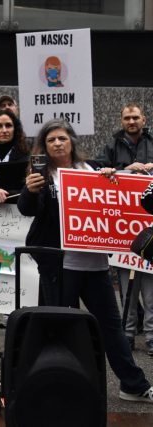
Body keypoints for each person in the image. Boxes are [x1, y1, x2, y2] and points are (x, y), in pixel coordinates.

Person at [18, 118, 153, 404]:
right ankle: (59, 384)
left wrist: (111, 178)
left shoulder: (91, 169)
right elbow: (28, 210)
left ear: (71, 143)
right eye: (51, 139)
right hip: (60, 266)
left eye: (62, 138)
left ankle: (133, 384)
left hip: (95, 267)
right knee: (60, 328)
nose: (57, 143)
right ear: (44, 146)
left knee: (111, 328)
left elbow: (111, 202)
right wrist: (30, 190)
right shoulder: (42, 174)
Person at [96, 103, 153, 355]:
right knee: (127, 291)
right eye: (127, 118)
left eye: (135, 117)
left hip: (149, 231)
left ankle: (152, 337)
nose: (131, 121)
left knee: (151, 294)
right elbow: (97, 173)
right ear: (121, 121)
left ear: (144, 119)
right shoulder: (111, 146)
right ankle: (127, 335)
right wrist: (122, 171)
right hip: (121, 231)